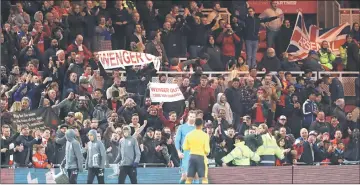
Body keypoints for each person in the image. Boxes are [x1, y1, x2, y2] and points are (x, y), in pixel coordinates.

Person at [183, 118, 210, 184]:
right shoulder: (205, 135)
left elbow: (185, 147)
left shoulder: (189, 134)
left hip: (191, 156)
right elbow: (207, 150)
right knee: (204, 178)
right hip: (201, 157)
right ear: (202, 125)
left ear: (194, 124)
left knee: (189, 178)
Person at [175, 111, 196, 184]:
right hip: (185, 153)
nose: (192, 118)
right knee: (185, 176)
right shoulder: (182, 127)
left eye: (194, 117)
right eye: (191, 116)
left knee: (195, 175)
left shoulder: (198, 128)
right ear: (188, 117)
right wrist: (178, 152)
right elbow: (177, 140)